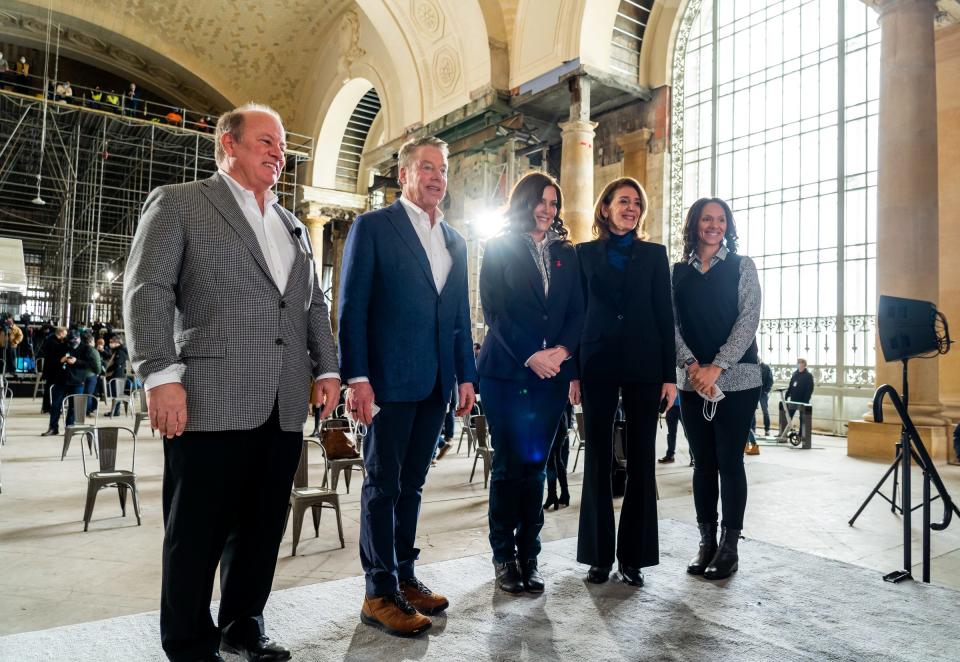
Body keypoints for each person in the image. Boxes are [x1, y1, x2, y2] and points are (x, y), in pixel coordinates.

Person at [123, 103, 340, 662]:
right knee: (197, 532)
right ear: (229, 143)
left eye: (283, 144)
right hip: (209, 396)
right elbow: (147, 290)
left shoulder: (292, 223)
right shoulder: (181, 203)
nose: (279, 151)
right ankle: (191, 644)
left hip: (283, 400)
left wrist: (329, 366)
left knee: (262, 527)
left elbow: (311, 302)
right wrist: (160, 375)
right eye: (266, 140)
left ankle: (243, 623)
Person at [339, 135, 476, 637]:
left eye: (443, 168)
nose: (437, 176)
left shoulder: (455, 240)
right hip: (389, 381)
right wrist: (358, 378)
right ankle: (378, 593)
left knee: (412, 486)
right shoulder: (374, 227)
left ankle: (403, 575)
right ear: (404, 174)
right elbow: (352, 308)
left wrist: (465, 375)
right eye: (426, 167)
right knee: (382, 486)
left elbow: (458, 314)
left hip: (437, 381)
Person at [477, 171, 584, 595]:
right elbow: (495, 312)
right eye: (541, 201)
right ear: (524, 203)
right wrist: (530, 354)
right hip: (507, 373)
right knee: (509, 466)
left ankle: (530, 556)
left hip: (552, 376)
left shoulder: (567, 254)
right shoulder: (499, 248)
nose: (548, 209)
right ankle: (504, 556)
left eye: (554, 203)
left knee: (537, 467)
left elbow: (579, 311)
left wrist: (562, 352)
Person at [570, 177, 676, 587]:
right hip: (595, 362)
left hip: (644, 365)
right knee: (597, 457)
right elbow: (577, 314)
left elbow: (665, 317)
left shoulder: (654, 255)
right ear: (605, 208)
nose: (630, 208)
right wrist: (574, 372)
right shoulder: (583, 255)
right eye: (623, 201)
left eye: (636, 203)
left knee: (641, 459)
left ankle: (634, 557)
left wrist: (669, 375)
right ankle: (598, 556)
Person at [673, 197, 761, 581]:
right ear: (694, 225)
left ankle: (729, 547)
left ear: (728, 225)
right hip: (692, 381)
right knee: (703, 465)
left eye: (721, 220)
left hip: (737, 380)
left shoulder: (743, 267)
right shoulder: (676, 273)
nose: (714, 225)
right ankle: (706, 541)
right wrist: (693, 366)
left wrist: (717, 367)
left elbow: (748, 320)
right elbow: (670, 324)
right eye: (707, 219)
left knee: (730, 462)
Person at [42, 331, 96, 437]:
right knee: (55, 406)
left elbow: (90, 365)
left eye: (74, 341)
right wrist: (60, 360)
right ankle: (53, 428)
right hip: (60, 380)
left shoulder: (86, 349)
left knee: (73, 407)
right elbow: (51, 362)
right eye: (70, 341)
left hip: (77, 382)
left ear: (79, 339)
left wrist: (77, 361)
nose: (72, 343)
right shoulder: (61, 347)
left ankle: (69, 429)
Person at [544, 403, 572, 510]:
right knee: (557, 458)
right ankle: (565, 494)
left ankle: (552, 495)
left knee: (551, 460)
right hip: (561, 420)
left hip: (550, 421)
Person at [39, 326, 67, 414]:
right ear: (61, 333)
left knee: (50, 388)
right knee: (50, 389)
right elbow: (52, 357)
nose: (66, 336)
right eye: (65, 334)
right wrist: (60, 359)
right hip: (52, 369)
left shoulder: (53, 340)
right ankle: (48, 407)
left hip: (52, 368)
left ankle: (49, 407)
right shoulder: (52, 342)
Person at [104, 335, 130, 417]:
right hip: (116, 376)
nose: (110, 344)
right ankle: (114, 411)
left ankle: (115, 412)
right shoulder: (117, 351)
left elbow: (117, 364)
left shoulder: (120, 352)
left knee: (116, 395)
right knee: (115, 395)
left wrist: (108, 369)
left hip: (117, 376)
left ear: (117, 343)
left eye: (112, 342)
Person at [759, 359, 773, 435]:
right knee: (752, 412)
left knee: (765, 411)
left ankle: (767, 429)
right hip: (754, 393)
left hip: (763, 393)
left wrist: (766, 391)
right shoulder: (753, 367)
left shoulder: (766, 367)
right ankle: (752, 430)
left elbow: (770, 380)